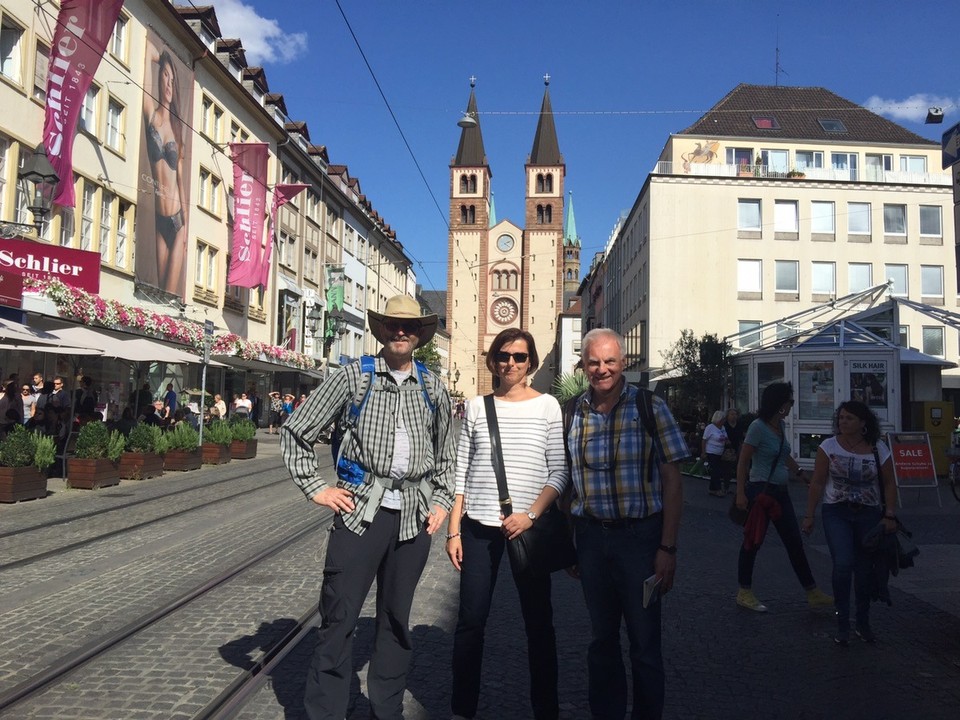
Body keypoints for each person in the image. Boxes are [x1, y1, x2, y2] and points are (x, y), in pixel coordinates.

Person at [280, 294, 456, 720]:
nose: (400, 332)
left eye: (409, 327)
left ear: (418, 335)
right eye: (393, 325)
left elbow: (448, 453)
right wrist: (317, 488)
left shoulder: (433, 386)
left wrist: (443, 500)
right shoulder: (352, 378)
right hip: (360, 513)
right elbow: (295, 431)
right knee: (339, 618)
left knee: (396, 621)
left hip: (413, 519)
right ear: (380, 330)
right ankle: (327, 712)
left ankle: (386, 709)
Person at [564, 328, 688, 720]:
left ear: (624, 364)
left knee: (645, 642)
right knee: (601, 640)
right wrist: (571, 545)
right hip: (591, 540)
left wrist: (667, 548)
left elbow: (672, 480)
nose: (602, 369)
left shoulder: (650, 407)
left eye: (610, 361)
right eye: (594, 362)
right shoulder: (572, 411)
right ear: (583, 365)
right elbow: (565, 482)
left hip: (641, 541)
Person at [446, 328, 567, 720]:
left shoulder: (549, 406)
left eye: (518, 356)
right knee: (470, 623)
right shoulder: (477, 407)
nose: (510, 363)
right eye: (503, 356)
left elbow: (559, 472)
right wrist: (453, 530)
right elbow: (460, 470)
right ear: (493, 361)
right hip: (479, 529)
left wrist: (530, 514)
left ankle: (545, 709)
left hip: (527, 530)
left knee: (539, 624)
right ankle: (462, 709)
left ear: (530, 361)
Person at [802, 401, 898, 644]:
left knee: (865, 571)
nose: (843, 422)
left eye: (850, 418)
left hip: (868, 513)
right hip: (836, 511)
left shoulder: (878, 448)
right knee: (843, 563)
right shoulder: (829, 446)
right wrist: (809, 515)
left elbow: (889, 483)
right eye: (841, 417)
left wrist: (889, 515)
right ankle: (842, 622)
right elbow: (817, 482)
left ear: (863, 423)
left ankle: (862, 622)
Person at [734, 382, 833, 613]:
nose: (791, 406)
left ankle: (812, 591)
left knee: (794, 542)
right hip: (761, 491)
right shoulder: (757, 427)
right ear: (779, 404)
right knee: (753, 541)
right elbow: (743, 460)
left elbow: (784, 454)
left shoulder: (781, 425)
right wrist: (740, 492)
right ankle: (744, 591)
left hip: (781, 491)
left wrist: (800, 473)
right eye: (790, 401)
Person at [143, 39, 187, 297]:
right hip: (159, 219)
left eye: (173, 80)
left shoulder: (179, 130)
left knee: (170, 297)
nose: (169, 84)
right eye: (165, 77)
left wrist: (187, 225)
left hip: (178, 220)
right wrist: (165, 59)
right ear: (159, 78)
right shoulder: (151, 114)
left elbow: (180, 179)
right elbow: (148, 49)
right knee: (158, 295)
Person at [700, 410, 729, 497]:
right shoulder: (710, 427)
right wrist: (703, 452)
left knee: (716, 471)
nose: (724, 421)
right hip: (711, 452)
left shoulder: (723, 428)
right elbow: (704, 440)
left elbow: (725, 437)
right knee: (716, 471)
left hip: (720, 452)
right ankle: (718, 489)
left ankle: (712, 489)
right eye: (723, 419)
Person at [722, 408, 744, 494]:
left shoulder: (739, 424)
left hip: (737, 448)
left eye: (735, 414)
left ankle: (740, 488)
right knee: (727, 469)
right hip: (728, 449)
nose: (734, 416)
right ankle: (726, 487)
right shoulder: (725, 425)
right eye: (732, 414)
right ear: (727, 416)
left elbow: (741, 436)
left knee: (739, 467)